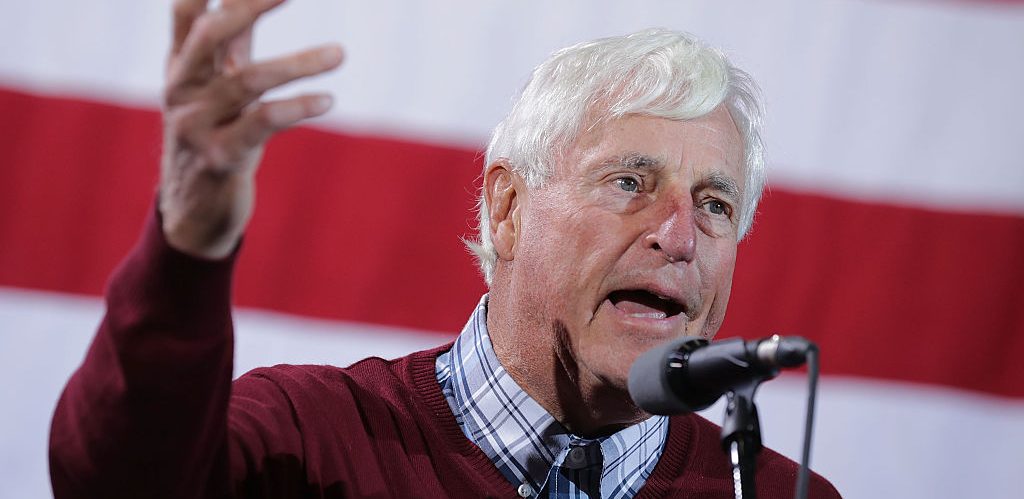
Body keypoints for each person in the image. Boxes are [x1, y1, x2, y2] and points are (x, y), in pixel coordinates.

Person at [49, 0, 841, 497]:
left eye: (714, 204)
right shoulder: (309, 443)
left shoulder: (769, 490)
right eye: (631, 182)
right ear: (506, 209)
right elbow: (115, 481)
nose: (678, 236)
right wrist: (189, 245)